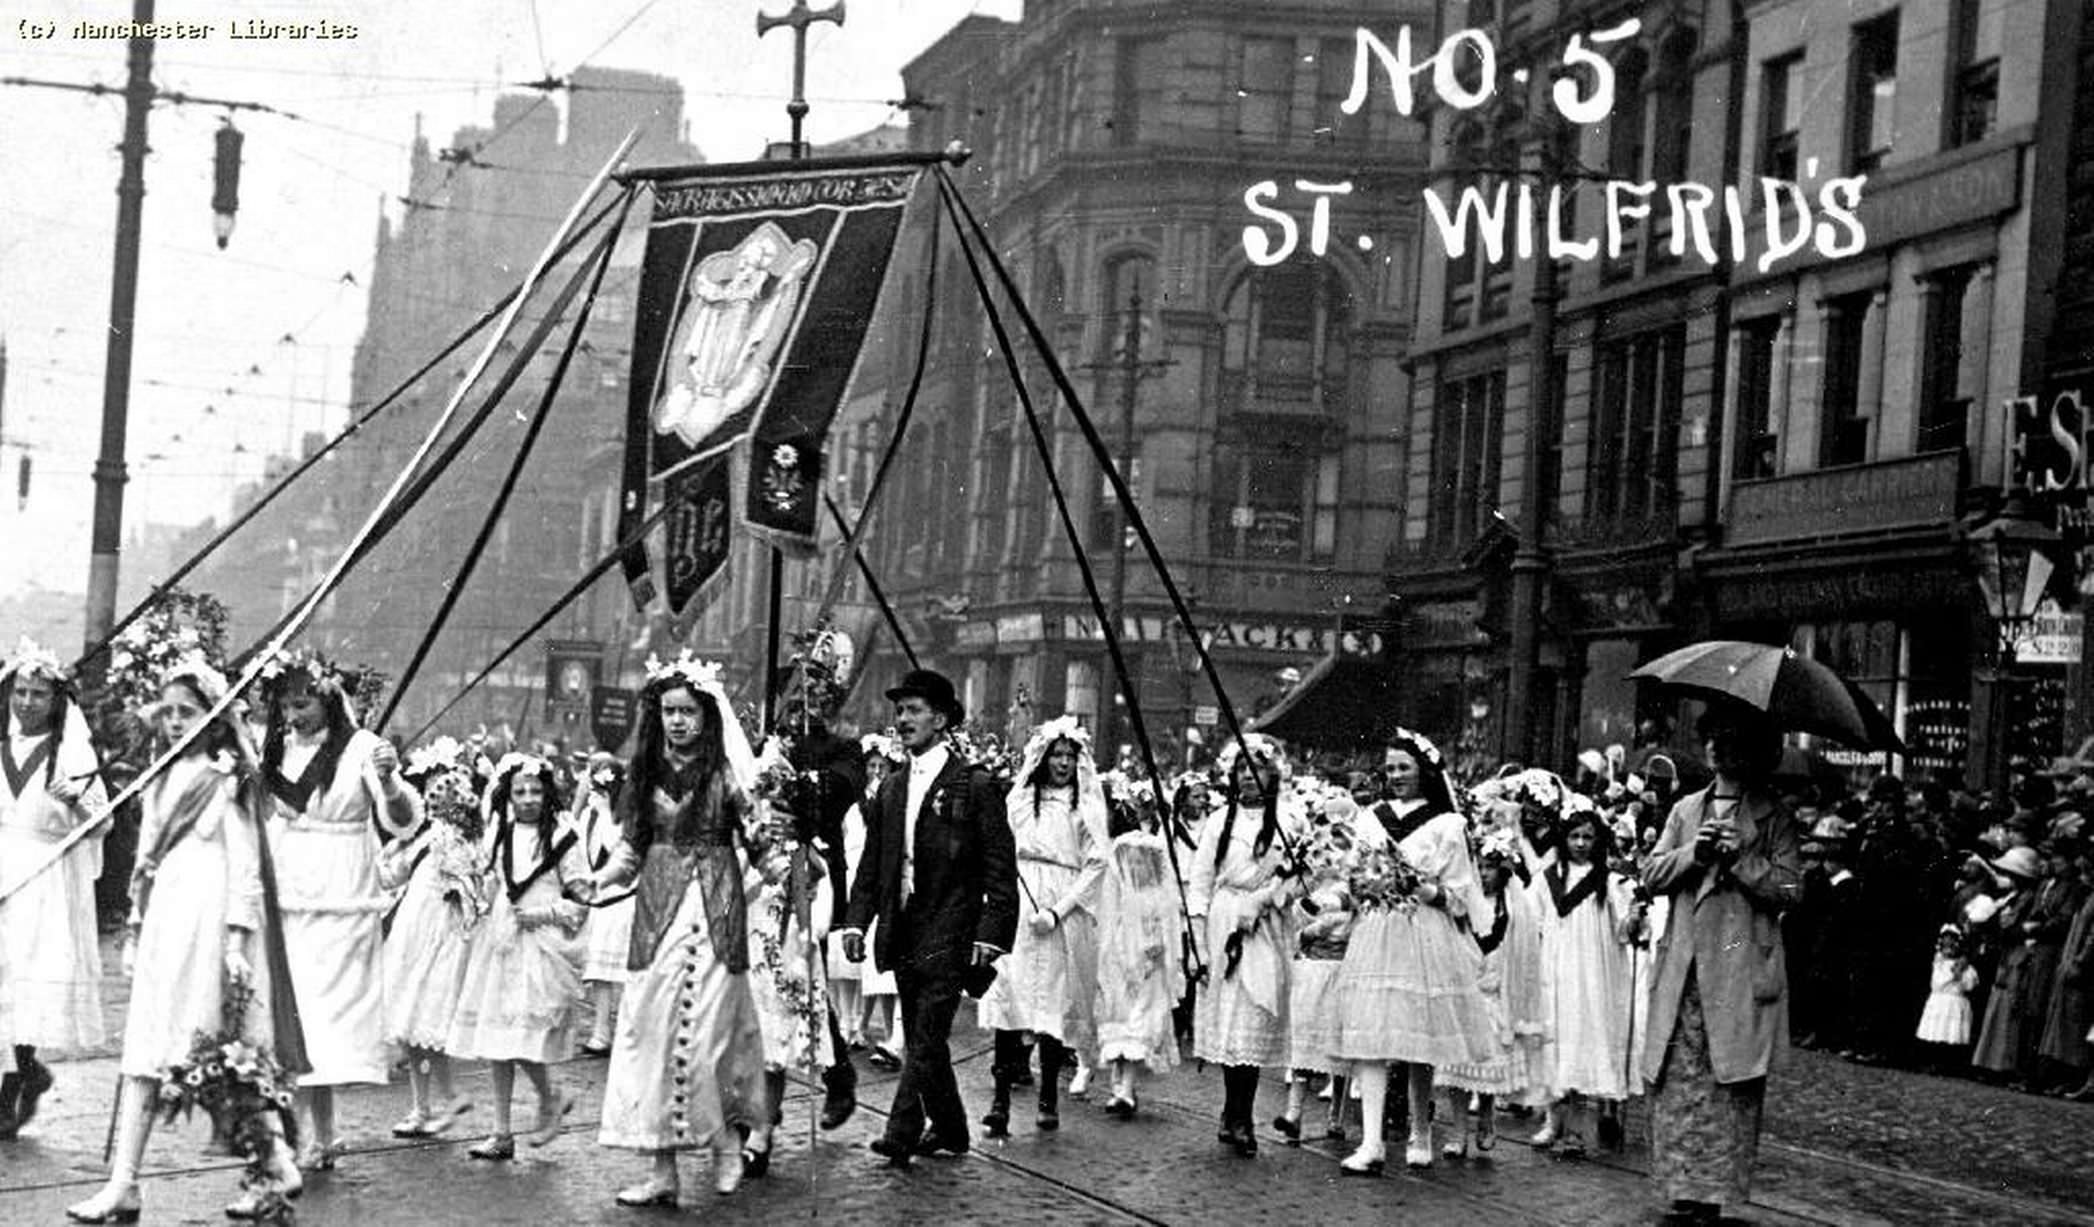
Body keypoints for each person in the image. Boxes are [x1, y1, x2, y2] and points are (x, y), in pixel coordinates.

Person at [66, 657, 306, 1224]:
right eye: (168, 712)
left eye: (188, 712)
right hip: (165, 931)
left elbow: (246, 866)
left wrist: (236, 944)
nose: (175, 723)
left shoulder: (228, 780)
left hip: (211, 931)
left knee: (220, 1055)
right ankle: (123, 1182)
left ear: (214, 717)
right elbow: (145, 862)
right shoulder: (159, 775)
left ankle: (272, 1164)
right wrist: (135, 927)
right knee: (146, 1053)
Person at [592, 654, 772, 1207]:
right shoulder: (643, 776)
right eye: (669, 711)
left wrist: (788, 867)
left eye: (688, 711)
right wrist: (593, 883)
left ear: (706, 716)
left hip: (717, 913)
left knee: (711, 1034)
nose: (677, 722)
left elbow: (762, 843)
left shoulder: (728, 776)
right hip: (658, 916)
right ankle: (660, 1169)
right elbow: (629, 851)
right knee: (651, 1035)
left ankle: (724, 1141)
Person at [839, 667, 1017, 1168]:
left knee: (925, 1032)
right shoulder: (891, 788)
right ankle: (954, 1129)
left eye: (913, 711)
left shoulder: (974, 784)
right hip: (905, 924)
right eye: (899, 711)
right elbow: (874, 864)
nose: (903, 720)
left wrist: (992, 933)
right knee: (925, 1030)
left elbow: (1001, 867)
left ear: (940, 719)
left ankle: (900, 1130)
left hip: (953, 925)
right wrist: (857, 922)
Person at [256, 648, 421, 1169]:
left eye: (302, 704)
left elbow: (400, 819)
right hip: (290, 894)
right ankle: (315, 1136)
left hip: (342, 896)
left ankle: (317, 1135)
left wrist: (391, 781)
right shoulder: (279, 748)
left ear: (328, 698)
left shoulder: (362, 748)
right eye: (285, 706)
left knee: (325, 1019)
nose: (292, 716)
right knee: (295, 1016)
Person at [1641, 702, 1803, 1227]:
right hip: (1685, 968)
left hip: (1738, 968)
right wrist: (1695, 853)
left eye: (1732, 740)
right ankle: (1680, 1188)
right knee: (1680, 1080)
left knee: (1728, 1082)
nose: (1719, 748)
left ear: (1753, 750)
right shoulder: (1686, 809)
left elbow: (1791, 889)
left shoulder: (1774, 814)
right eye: (1713, 738)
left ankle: (1714, 1194)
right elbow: (1651, 873)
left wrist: (1742, 861)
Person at [1331, 728, 1494, 1174]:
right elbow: (1354, 877)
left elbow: (1461, 896)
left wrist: (1421, 887)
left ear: (1424, 771)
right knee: (1371, 1034)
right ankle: (1372, 1142)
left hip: (1424, 933)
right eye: (1390, 768)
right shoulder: (1370, 818)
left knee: (1418, 1036)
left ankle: (1422, 1129)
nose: (1397, 775)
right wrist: (1355, 889)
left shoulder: (1447, 825)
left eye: (1404, 767)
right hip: (1378, 932)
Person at [446, 753, 585, 1160]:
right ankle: (501, 1131)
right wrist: (470, 895)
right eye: (519, 791)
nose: (527, 798)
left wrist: (543, 913)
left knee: (524, 1038)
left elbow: (582, 899)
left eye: (536, 791)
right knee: (497, 1039)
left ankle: (550, 1096)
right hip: (501, 939)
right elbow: (491, 883)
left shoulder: (561, 833)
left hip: (541, 943)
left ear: (548, 793)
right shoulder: (499, 832)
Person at [976, 715, 1109, 1137]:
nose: (1064, 764)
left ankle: (1048, 1095)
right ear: (1043, 757)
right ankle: (1000, 1098)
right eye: (1057, 755)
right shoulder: (1019, 801)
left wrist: (1060, 909)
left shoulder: (1085, 807)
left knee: (1053, 1003)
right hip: (1019, 897)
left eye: (1071, 756)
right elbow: (998, 849)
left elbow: (1097, 864)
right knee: (1008, 993)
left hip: (1060, 903)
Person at [0, 639, 109, 1138]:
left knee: (26, 978)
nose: (26, 703)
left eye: (37, 694)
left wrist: (80, 801)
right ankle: (17, 1075)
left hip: (41, 874)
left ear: (55, 699)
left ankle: (16, 1080)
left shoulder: (71, 751)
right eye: (20, 692)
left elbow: (104, 822)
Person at [1188, 734, 1297, 1158]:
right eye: (1240, 770)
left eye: (1257, 769)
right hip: (1225, 920)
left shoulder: (1288, 819)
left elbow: (1298, 876)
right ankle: (1234, 1113)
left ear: (1271, 773)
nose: (1248, 778)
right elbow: (1199, 882)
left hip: (1265, 925)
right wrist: (1197, 941)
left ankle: (1242, 1112)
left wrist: (1267, 898)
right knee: (1230, 1017)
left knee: (1255, 1012)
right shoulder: (1219, 820)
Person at [378, 745, 486, 1139]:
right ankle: (425, 1105)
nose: (433, 799)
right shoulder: (444, 839)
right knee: (415, 1032)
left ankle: (445, 1098)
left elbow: (399, 875)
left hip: (432, 939)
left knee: (421, 1028)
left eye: (439, 794)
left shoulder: (446, 840)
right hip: (423, 935)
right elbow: (398, 875)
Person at [1529, 802, 1636, 1157]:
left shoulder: (1610, 881)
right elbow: (1530, 919)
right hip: (1553, 970)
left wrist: (1636, 917)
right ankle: (1551, 1120)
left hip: (1588, 975)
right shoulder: (1548, 880)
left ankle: (1574, 1129)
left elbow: (1622, 932)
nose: (1580, 843)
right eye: (1574, 836)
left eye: (1587, 837)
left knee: (1578, 1041)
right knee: (1552, 1039)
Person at [1093, 775, 1186, 1118]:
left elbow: (1165, 929)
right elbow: (1109, 926)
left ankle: (1126, 1088)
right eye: (1129, 863)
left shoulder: (1156, 897)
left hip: (1147, 966)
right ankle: (1117, 1086)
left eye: (1140, 862)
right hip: (1120, 963)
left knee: (1139, 1024)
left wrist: (1157, 950)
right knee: (1118, 1023)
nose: (1134, 867)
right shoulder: (1118, 896)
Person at [574, 753, 633, 1056]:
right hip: (600, 901)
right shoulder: (588, 816)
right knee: (598, 972)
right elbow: (580, 847)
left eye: (603, 790)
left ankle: (626, 1029)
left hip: (623, 901)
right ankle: (600, 1031)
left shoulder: (624, 817)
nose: (596, 796)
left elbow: (618, 850)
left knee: (621, 970)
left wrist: (608, 810)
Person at [1915, 924, 1979, 1071]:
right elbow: (1938, 983)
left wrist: (1961, 973)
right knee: (1936, 1029)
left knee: (1952, 1031)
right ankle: (1931, 1060)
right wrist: (1953, 973)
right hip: (1940, 999)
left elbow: (1969, 985)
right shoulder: (1939, 963)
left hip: (1955, 1000)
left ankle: (1948, 1063)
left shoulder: (1967, 967)